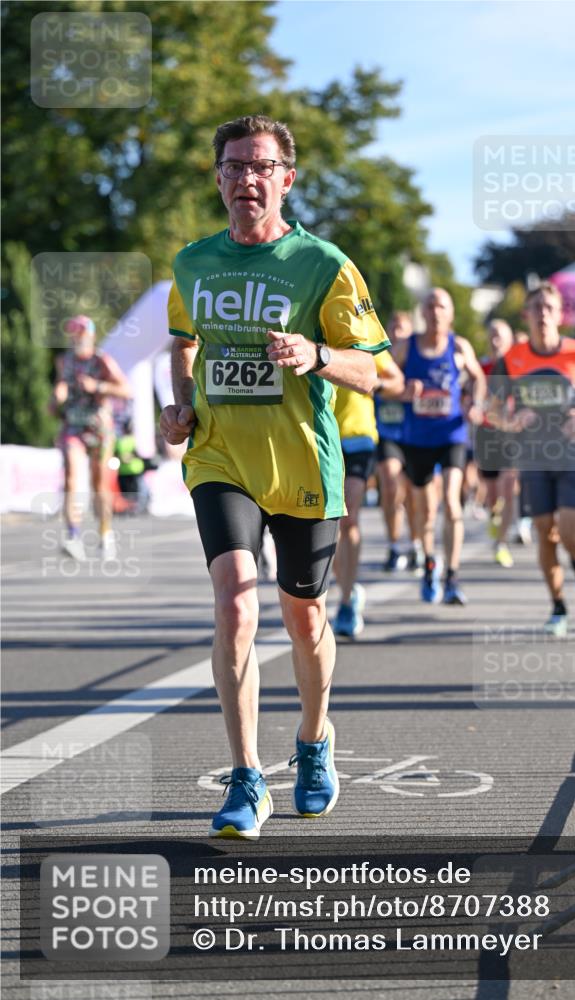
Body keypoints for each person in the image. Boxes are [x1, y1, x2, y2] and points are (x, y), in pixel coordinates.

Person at [159, 114, 389, 839]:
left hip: (301, 465)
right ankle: (247, 777)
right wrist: (181, 403)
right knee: (233, 604)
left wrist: (316, 355)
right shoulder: (193, 262)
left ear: (285, 179)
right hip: (221, 458)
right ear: (218, 178)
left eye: (260, 166)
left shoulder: (322, 263)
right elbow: (183, 342)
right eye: (232, 166)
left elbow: (373, 370)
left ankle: (315, 744)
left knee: (304, 616)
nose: (245, 179)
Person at [486, 282, 575, 636]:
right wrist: (511, 420)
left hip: (571, 456)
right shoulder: (512, 359)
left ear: (559, 314)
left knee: (569, 531)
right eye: (536, 307)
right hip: (533, 457)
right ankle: (558, 607)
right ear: (527, 314)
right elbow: (490, 410)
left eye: (549, 307)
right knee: (544, 533)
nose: (542, 314)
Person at [392, 288, 487, 605]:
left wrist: (476, 402)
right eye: (429, 306)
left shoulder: (459, 345)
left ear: (451, 313)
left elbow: (477, 377)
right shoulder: (407, 347)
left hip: (451, 434)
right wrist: (404, 389)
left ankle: (453, 575)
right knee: (425, 509)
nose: (435, 312)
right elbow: (385, 381)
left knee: (451, 499)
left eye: (441, 306)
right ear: (422, 311)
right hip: (417, 438)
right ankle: (431, 560)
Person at [332, 350, 404, 636]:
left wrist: (374, 383)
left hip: (359, 438)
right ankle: (347, 586)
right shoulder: (311, 330)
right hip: (320, 438)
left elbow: (398, 381)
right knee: (329, 525)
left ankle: (347, 602)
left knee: (348, 518)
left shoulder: (366, 340)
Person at [50, 315, 132, 561]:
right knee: (71, 478)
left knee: (99, 484)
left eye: (81, 334)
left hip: (99, 428)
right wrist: (56, 398)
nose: (77, 339)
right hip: (73, 427)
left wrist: (97, 387)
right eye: (73, 335)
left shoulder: (101, 360)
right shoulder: (64, 362)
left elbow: (127, 390)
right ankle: (73, 536)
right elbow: (59, 392)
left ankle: (105, 534)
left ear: (91, 336)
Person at [375, 311, 424, 573]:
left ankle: (415, 545)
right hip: (387, 432)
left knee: (414, 496)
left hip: (415, 435)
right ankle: (394, 546)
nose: (396, 332)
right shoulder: (379, 356)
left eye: (402, 328)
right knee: (391, 487)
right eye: (392, 326)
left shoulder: (417, 357)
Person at [476, 319, 519, 568]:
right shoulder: (482, 367)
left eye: (500, 336)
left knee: (509, 485)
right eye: (491, 335)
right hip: (487, 432)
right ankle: (494, 516)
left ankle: (501, 543)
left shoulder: (518, 365)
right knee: (492, 493)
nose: (495, 340)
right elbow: (472, 392)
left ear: (509, 339)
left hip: (512, 434)